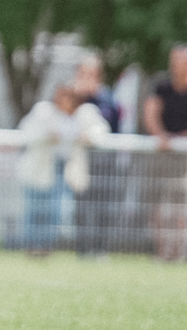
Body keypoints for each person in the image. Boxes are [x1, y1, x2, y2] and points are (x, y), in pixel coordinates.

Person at [17, 84, 108, 256]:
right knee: (35, 209)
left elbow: (100, 131)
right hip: (39, 168)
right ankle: (32, 246)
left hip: (64, 168)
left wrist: (86, 137)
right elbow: (27, 131)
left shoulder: (84, 114)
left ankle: (46, 246)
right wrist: (47, 135)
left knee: (55, 210)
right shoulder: (44, 111)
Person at [140, 43, 187, 261]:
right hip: (161, 154)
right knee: (157, 205)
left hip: (183, 158)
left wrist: (178, 140)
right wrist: (162, 137)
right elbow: (150, 114)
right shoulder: (162, 88)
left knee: (180, 207)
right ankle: (161, 252)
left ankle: (176, 254)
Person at [71, 50, 124, 255]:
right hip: (80, 161)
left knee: (104, 207)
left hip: (104, 162)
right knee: (81, 207)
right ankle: (82, 249)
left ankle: (101, 249)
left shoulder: (107, 99)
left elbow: (115, 128)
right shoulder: (71, 97)